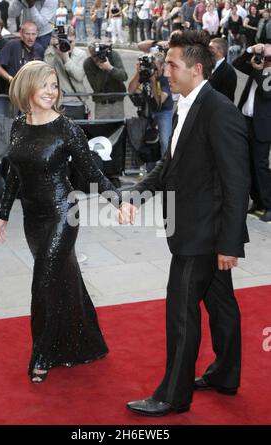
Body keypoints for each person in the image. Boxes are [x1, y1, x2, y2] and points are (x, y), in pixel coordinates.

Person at [120, 30, 250, 415]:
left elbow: (237, 181)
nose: (165, 70)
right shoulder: (186, 103)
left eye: (172, 65)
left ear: (196, 68)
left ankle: (171, 395)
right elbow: (171, 163)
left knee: (180, 312)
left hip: (203, 234)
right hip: (194, 226)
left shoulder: (218, 109)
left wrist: (229, 243)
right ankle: (225, 375)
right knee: (222, 304)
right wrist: (136, 193)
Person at [0, 60, 121, 384]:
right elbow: (14, 175)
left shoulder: (67, 128)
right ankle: (86, 341)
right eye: (46, 85)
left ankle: (43, 352)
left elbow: (92, 172)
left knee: (43, 281)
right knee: (65, 277)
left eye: (55, 85)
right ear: (27, 88)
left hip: (64, 212)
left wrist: (119, 200)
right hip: (32, 218)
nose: (52, 91)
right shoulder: (19, 125)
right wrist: (3, 214)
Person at [233, 43, 271, 222]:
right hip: (246, 121)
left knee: (261, 166)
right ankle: (257, 200)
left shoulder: (267, 73)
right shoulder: (258, 66)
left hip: (263, 126)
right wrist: (250, 50)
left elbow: (266, 93)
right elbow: (237, 63)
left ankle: (269, 204)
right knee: (249, 164)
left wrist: (258, 70)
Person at [128, 51, 173, 172]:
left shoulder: (165, 77)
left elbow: (159, 102)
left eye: (155, 66)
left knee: (164, 141)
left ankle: (166, 170)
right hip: (147, 112)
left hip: (163, 112)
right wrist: (139, 73)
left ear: (162, 66)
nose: (152, 69)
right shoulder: (144, 74)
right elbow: (131, 90)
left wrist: (153, 82)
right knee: (147, 141)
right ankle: (150, 170)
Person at [84, 42, 128, 119]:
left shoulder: (113, 55)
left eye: (98, 55)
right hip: (101, 104)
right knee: (102, 129)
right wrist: (102, 69)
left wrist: (110, 68)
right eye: (94, 56)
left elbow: (124, 76)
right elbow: (97, 87)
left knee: (119, 128)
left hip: (117, 102)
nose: (96, 58)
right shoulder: (88, 63)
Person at [209, 37, 237, 101]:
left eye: (211, 48)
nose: (208, 50)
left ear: (220, 51)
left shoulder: (229, 72)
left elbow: (227, 98)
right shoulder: (206, 65)